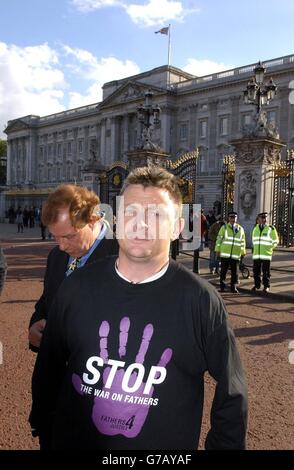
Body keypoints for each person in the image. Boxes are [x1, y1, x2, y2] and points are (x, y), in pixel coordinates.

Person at [30, 166, 247, 450]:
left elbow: (232, 390)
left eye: (156, 215)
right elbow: (49, 370)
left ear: (177, 227)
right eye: (132, 212)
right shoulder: (76, 288)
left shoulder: (202, 300)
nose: (141, 223)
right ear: (118, 219)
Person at [28, 184, 118, 354]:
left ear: (92, 221)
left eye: (69, 236)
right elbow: (48, 298)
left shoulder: (123, 256)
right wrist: (35, 323)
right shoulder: (56, 256)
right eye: (55, 237)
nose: (61, 246)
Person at [215, 211, 246, 294]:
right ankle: (222, 286)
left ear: (236, 218)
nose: (233, 219)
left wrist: (243, 251)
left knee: (235, 272)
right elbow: (219, 239)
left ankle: (233, 287)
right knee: (223, 271)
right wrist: (217, 249)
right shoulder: (224, 228)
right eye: (231, 217)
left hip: (235, 254)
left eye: (234, 217)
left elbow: (242, 241)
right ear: (229, 218)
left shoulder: (240, 229)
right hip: (225, 253)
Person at [251, 212, 278, 293]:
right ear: (258, 219)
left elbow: (276, 241)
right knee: (256, 271)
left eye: (265, 218)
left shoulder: (271, 228)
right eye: (262, 218)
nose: (264, 220)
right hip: (256, 254)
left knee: (266, 272)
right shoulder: (255, 228)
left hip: (266, 254)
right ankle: (257, 285)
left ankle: (266, 286)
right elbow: (253, 240)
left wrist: (270, 248)